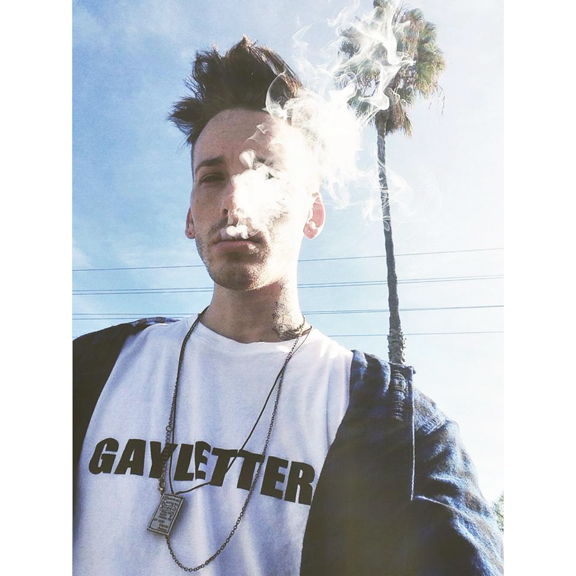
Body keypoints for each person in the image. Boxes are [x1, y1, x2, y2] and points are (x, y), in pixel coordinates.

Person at [73, 37, 503, 575]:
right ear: (189, 217)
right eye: (212, 178)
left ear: (312, 214)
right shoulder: (89, 370)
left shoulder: (399, 429)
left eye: (268, 173)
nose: (236, 202)